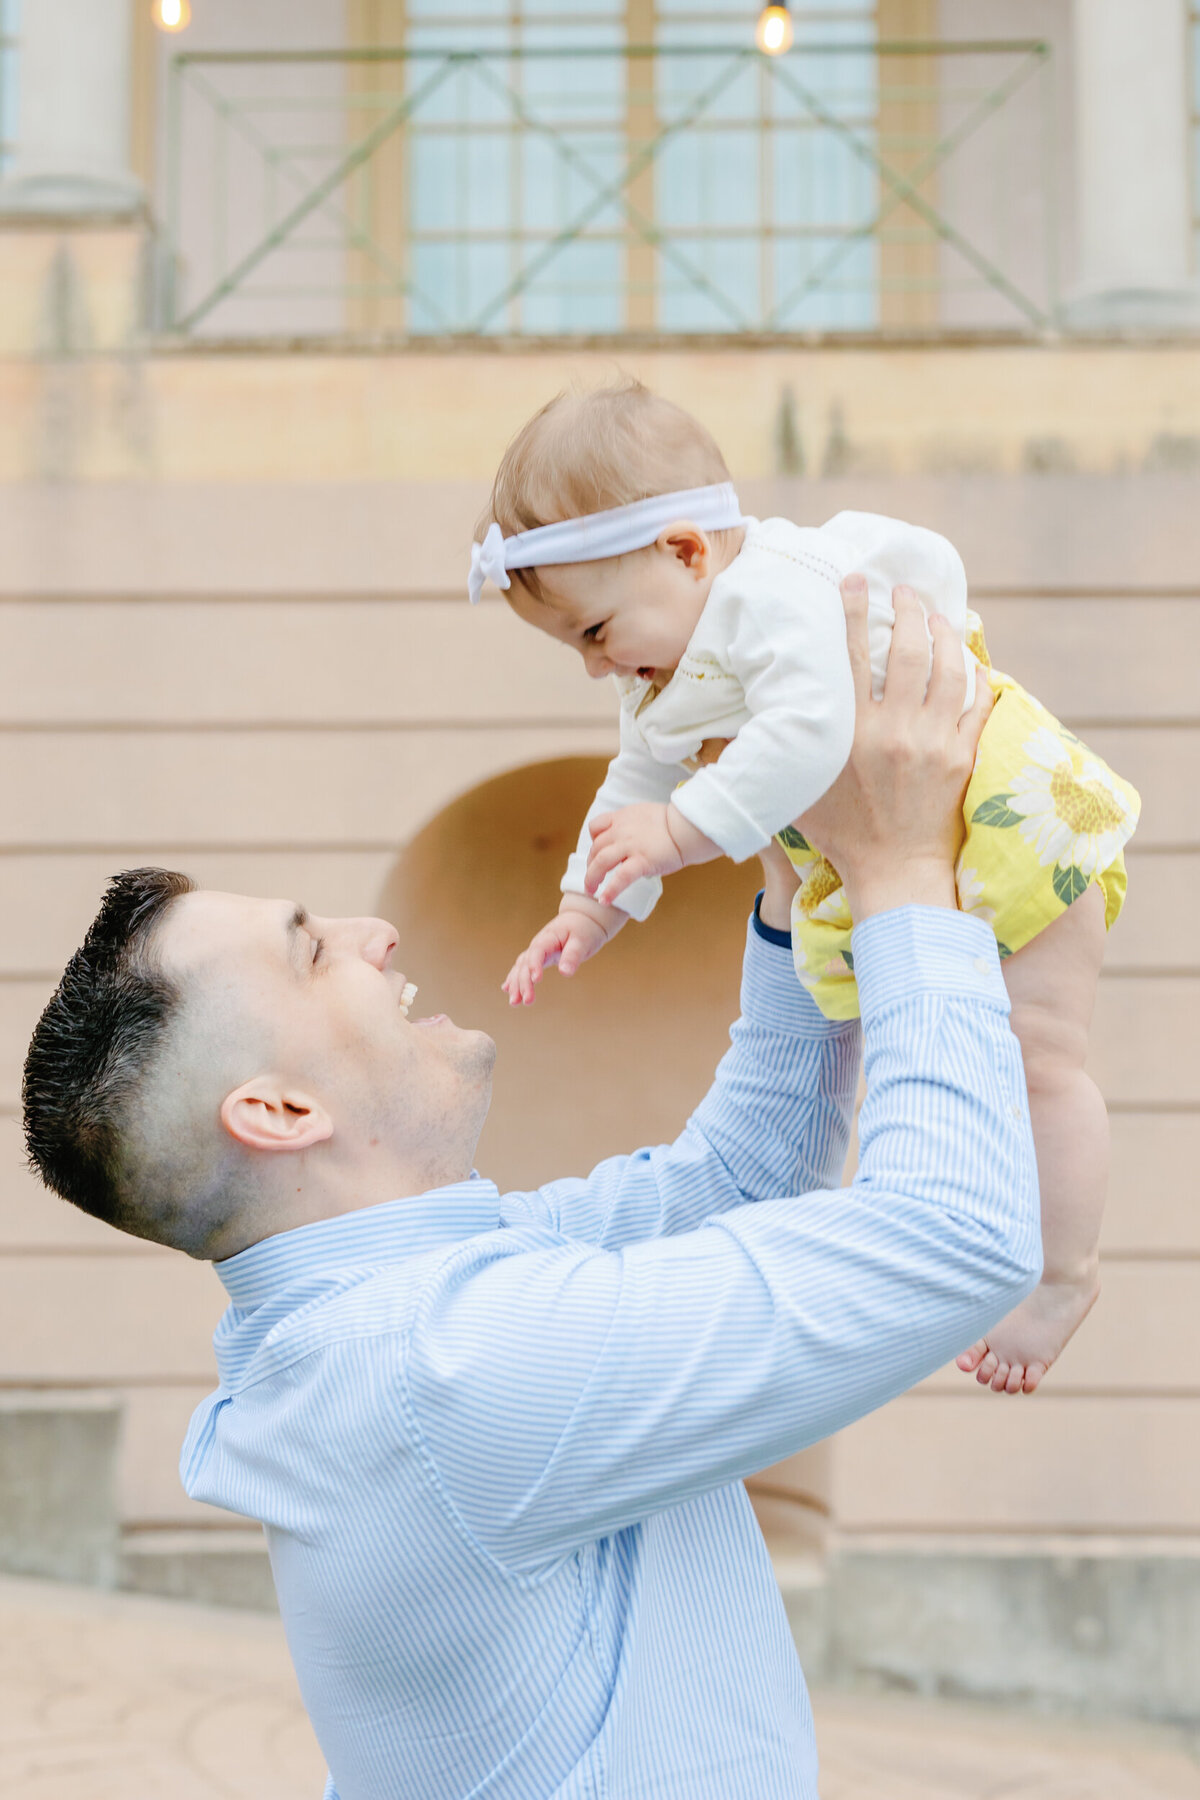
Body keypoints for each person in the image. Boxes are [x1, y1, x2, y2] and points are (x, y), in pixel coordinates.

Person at [22, 582, 1040, 1800]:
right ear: (281, 1113)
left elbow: (739, 1183)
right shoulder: (451, 1369)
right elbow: (959, 1235)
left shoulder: (404, 1318)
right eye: (310, 948)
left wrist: (790, 878)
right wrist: (902, 870)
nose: (374, 933)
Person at [474, 380, 1139, 1397]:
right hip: (919, 842)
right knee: (956, 1059)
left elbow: (808, 731)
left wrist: (686, 834)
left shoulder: (771, 590)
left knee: (1042, 1057)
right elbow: (638, 780)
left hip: (1010, 817)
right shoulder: (663, 666)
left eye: (595, 632)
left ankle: (1063, 1274)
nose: (594, 667)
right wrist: (589, 901)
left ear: (688, 552)